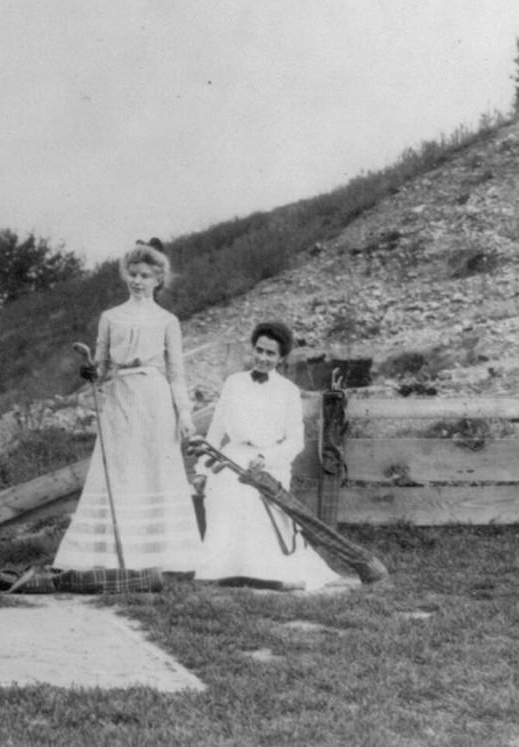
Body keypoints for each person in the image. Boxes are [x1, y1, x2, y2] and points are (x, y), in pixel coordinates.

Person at [53, 240, 203, 574]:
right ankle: (109, 557)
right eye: (132, 274)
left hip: (155, 400)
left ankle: (159, 558)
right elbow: (102, 366)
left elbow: (177, 373)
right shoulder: (111, 317)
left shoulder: (168, 321)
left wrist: (185, 414)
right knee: (120, 472)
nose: (137, 280)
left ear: (158, 279)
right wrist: (91, 371)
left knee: (154, 471)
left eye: (145, 275)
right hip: (120, 399)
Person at [192, 320, 346, 591]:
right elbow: (216, 431)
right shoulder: (234, 383)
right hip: (233, 456)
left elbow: (295, 441)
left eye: (270, 353)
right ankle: (225, 569)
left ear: (282, 357)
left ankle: (266, 571)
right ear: (253, 350)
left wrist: (267, 457)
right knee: (225, 490)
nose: (263, 358)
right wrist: (202, 470)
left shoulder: (287, 391)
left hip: (270, 462)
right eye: (259, 350)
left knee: (256, 494)